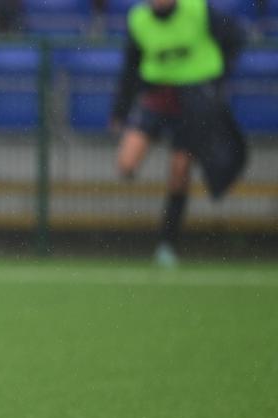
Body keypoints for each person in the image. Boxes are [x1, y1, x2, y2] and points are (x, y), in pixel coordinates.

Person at [111, 0, 246, 267]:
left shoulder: (197, 9)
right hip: (157, 95)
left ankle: (167, 244)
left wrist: (217, 77)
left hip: (192, 100)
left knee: (179, 171)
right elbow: (131, 66)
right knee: (126, 163)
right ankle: (130, 230)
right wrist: (119, 111)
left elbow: (236, 37)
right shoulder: (139, 19)